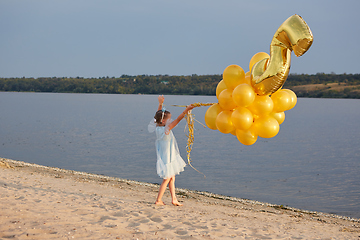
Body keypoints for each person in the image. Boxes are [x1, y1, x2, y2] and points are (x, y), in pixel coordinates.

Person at [148, 95, 194, 206]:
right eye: (169, 119)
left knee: (172, 177)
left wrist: (160, 103)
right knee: (167, 178)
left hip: (167, 154)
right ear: (164, 121)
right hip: (167, 156)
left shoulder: (158, 127)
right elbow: (178, 120)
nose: (170, 121)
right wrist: (186, 110)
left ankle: (174, 199)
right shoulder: (166, 129)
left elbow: (158, 114)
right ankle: (158, 200)